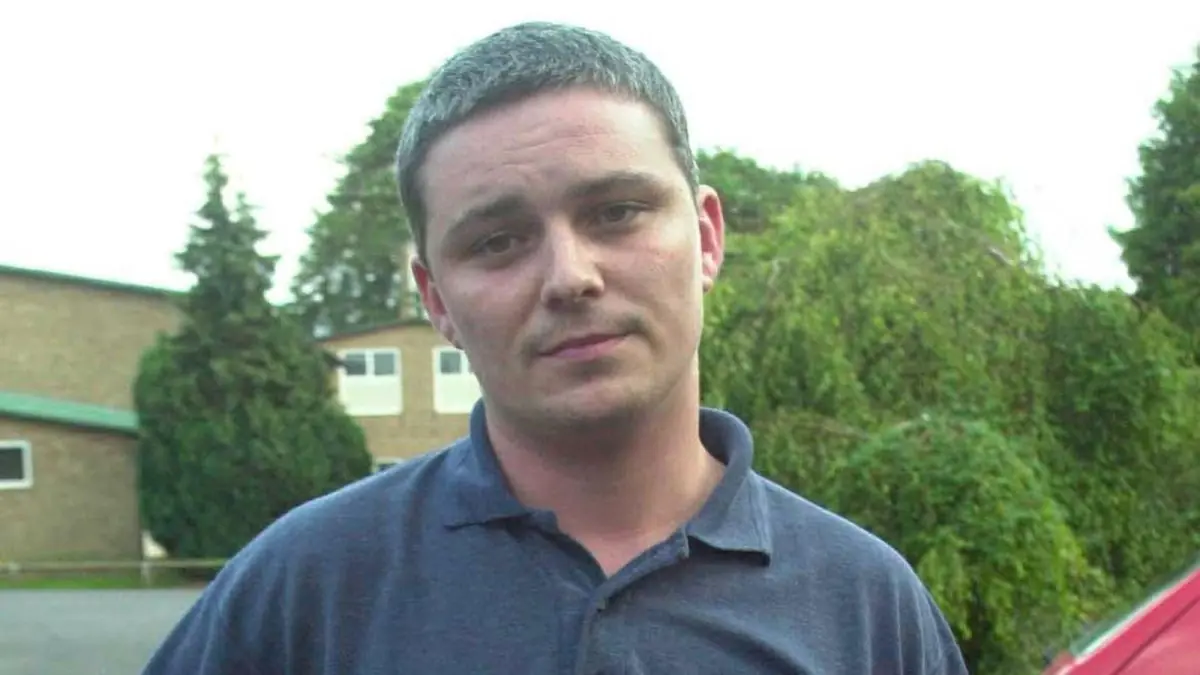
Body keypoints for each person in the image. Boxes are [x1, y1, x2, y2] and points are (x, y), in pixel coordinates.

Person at [142, 21, 969, 674]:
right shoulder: (305, 589)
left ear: (708, 237)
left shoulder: (866, 605)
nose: (570, 277)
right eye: (498, 241)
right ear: (437, 300)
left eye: (616, 212)